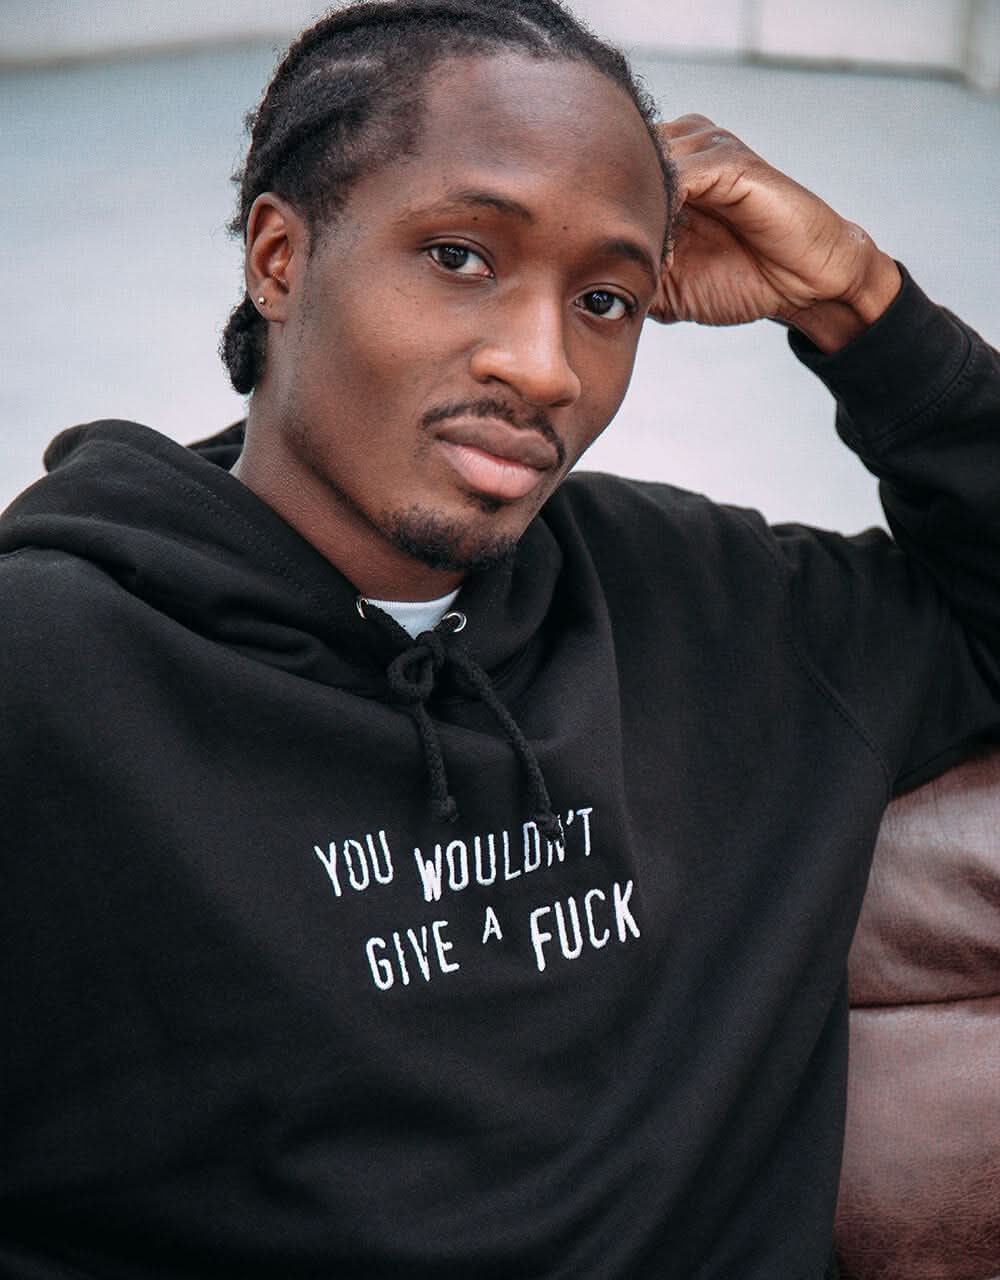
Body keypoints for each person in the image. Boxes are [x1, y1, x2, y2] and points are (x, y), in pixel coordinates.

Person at [1, 1, 997, 1276]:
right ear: (279, 259)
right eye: (461, 255)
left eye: (604, 298)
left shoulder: (707, 600)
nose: (544, 367)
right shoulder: (50, 669)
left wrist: (861, 303)